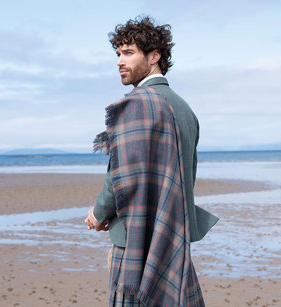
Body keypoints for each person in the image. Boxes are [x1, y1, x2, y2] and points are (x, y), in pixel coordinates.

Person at [85, 16, 218, 307]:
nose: (120, 61)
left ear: (154, 56)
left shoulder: (138, 104)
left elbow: (120, 175)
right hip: (171, 231)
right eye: (118, 54)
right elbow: (187, 174)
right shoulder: (184, 109)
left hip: (136, 235)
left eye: (129, 53)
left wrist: (98, 213)